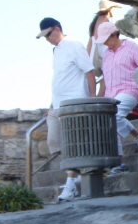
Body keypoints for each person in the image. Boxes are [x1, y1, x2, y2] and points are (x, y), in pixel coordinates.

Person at [37, 17, 96, 200]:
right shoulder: (56, 51)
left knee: (72, 142)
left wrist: (92, 98)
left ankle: (70, 184)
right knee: (54, 141)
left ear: (56, 29)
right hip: (57, 105)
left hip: (74, 103)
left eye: (47, 34)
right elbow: (60, 78)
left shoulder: (74, 45)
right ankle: (76, 170)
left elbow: (90, 71)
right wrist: (51, 105)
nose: (47, 39)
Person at [94, 21, 138, 174]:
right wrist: (100, 95)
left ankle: (137, 135)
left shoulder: (132, 47)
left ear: (113, 35)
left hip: (130, 89)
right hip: (110, 94)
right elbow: (105, 77)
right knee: (108, 124)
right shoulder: (107, 54)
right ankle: (120, 162)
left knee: (114, 117)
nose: (104, 42)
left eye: (105, 39)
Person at [87, 0, 122, 79]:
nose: (115, 11)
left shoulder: (95, 23)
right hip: (104, 57)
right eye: (114, 8)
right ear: (110, 8)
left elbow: (89, 46)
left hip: (94, 60)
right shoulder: (105, 23)